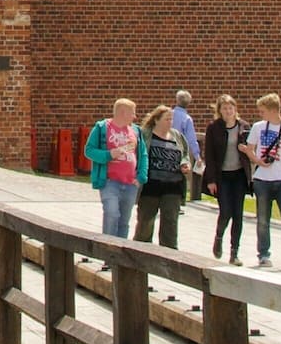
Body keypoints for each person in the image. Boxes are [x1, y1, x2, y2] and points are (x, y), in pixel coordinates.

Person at [239, 93, 281, 271]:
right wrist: (257, 160)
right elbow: (250, 149)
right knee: (263, 219)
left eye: (262, 111)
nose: (260, 114)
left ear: (272, 110)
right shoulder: (258, 127)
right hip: (263, 179)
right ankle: (263, 254)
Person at [87, 99, 148, 238]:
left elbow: (143, 154)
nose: (135, 116)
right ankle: (108, 251)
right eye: (132, 113)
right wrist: (109, 155)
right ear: (122, 112)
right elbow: (89, 150)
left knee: (124, 222)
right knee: (112, 214)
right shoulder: (102, 127)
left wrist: (141, 177)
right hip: (110, 181)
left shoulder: (136, 131)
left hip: (131, 183)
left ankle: (120, 255)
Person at [134, 105, 193, 248]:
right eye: (167, 119)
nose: (170, 122)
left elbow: (184, 154)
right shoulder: (145, 134)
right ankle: (141, 252)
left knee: (170, 222)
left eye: (171, 119)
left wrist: (185, 164)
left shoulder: (177, 136)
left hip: (173, 186)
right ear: (156, 120)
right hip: (151, 185)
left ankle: (169, 256)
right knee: (146, 221)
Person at [203, 95, 251, 266]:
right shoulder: (214, 128)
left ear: (235, 109)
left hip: (238, 174)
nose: (228, 111)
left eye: (230, 108)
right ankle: (219, 236)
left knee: (238, 214)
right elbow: (209, 154)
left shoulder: (243, 127)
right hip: (222, 175)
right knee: (226, 212)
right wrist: (211, 179)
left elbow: (251, 149)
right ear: (219, 110)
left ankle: (234, 252)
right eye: (224, 108)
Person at [172, 90, 203, 204]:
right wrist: (197, 155)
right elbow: (191, 138)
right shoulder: (186, 118)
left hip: (166, 148)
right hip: (180, 151)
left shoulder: (169, 115)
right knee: (181, 176)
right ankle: (179, 202)